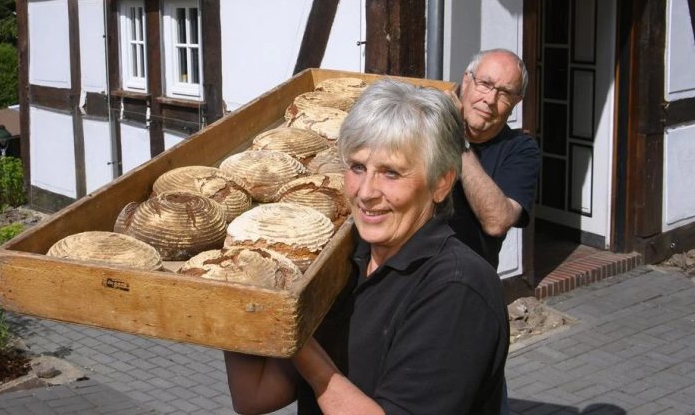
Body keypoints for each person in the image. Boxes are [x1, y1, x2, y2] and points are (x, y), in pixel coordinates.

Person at [224, 79, 509, 414]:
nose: (366, 192)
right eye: (358, 167)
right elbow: (255, 396)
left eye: (391, 173)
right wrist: (234, 291)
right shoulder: (341, 263)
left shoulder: (456, 289)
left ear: (441, 183)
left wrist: (296, 332)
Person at [448, 49, 540, 271]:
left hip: (466, 280)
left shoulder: (520, 150)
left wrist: (458, 141)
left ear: (516, 102)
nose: (490, 100)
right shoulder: (426, 127)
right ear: (466, 81)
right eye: (485, 84)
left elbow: (497, 222)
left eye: (505, 93)